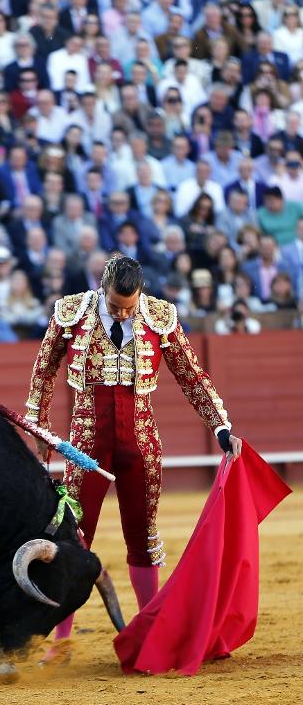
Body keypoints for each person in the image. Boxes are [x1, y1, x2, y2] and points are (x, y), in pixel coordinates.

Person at [25, 255, 242, 663]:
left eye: (130, 305)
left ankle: (149, 633)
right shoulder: (71, 311)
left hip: (141, 439)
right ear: (101, 287)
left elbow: (192, 375)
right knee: (72, 535)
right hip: (86, 440)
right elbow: (43, 371)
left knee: (142, 536)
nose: (123, 312)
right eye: (115, 305)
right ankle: (60, 642)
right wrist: (38, 426)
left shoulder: (159, 316)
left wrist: (220, 426)